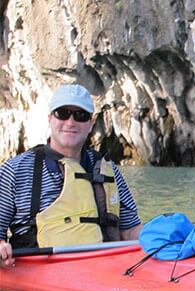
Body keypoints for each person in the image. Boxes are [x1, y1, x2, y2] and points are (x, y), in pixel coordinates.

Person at [0, 84, 142, 268]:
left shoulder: (108, 169)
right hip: (39, 273)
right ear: (50, 119)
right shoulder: (16, 170)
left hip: (103, 271)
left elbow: (131, 231)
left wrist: (163, 237)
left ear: (91, 124)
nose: (71, 122)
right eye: (63, 113)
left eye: (80, 116)